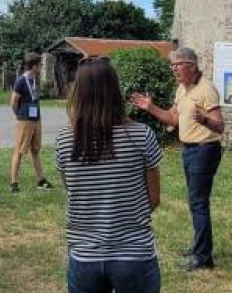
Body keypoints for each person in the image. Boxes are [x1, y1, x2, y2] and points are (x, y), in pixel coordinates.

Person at [56, 57, 163, 293]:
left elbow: (74, 193)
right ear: (115, 91)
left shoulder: (65, 140)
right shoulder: (141, 135)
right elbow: (153, 199)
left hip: (84, 256)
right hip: (134, 254)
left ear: (78, 94)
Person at [132, 47, 224, 271]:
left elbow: (219, 126)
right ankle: (199, 248)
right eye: (172, 65)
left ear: (192, 66)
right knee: (196, 202)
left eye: (178, 64)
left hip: (205, 149)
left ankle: (203, 258)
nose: (174, 69)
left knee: (198, 203)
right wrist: (150, 107)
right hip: (190, 150)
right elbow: (173, 119)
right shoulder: (182, 89)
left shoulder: (206, 89)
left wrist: (205, 120)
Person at [8, 52, 52, 193]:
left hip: (36, 119)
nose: (41, 67)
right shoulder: (21, 81)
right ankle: (14, 182)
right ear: (34, 66)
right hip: (25, 120)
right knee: (19, 151)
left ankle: (41, 180)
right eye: (40, 65)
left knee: (35, 150)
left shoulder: (35, 80)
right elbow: (13, 102)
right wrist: (19, 115)